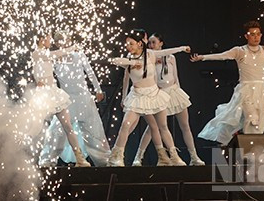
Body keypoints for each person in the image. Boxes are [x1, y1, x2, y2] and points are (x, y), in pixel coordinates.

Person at [108, 29, 192, 166]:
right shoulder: (128, 59)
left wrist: (182, 48)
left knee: (162, 126)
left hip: (154, 95)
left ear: (140, 44)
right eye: (127, 44)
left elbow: (165, 52)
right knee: (125, 125)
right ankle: (116, 157)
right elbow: (114, 60)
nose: (128, 47)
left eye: (131, 44)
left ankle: (174, 157)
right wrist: (131, 63)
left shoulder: (150, 55)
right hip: (137, 96)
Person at [38, 31, 110, 167]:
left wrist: (98, 89)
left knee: (94, 130)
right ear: (57, 43)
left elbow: (90, 72)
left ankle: (104, 161)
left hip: (83, 98)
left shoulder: (78, 55)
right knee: (57, 130)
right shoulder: (54, 58)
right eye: (60, 41)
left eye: (66, 40)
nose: (64, 43)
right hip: (67, 99)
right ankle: (47, 160)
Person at [132, 33, 204, 166]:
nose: (151, 45)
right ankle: (138, 157)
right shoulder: (148, 58)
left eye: (154, 42)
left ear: (161, 43)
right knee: (152, 128)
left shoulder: (171, 58)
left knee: (185, 126)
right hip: (159, 94)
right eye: (150, 43)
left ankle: (194, 157)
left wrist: (179, 92)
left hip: (174, 91)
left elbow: (176, 76)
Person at [31, 33, 92, 167]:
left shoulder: (46, 53)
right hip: (43, 95)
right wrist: (71, 48)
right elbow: (52, 55)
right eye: (48, 38)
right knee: (36, 128)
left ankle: (79, 158)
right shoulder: (37, 53)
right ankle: (28, 158)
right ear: (41, 39)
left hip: (54, 92)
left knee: (68, 126)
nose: (50, 41)